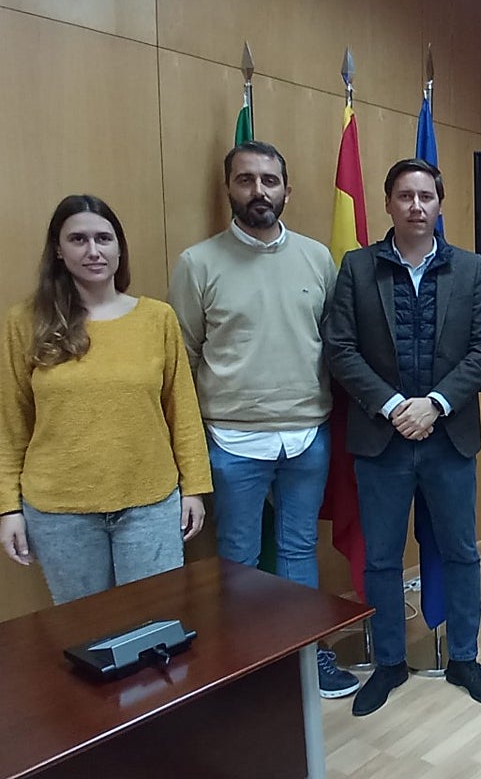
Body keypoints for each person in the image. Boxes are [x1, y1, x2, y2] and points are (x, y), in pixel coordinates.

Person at [168, 141, 359, 699]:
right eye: (246, 180)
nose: (259, 192)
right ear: (229, 188)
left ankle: (307, 658)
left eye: (269, 181)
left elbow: (333, 343)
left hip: (307, 434)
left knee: (300, 550)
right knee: (240, 558)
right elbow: (183, 355)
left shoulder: (318, 257)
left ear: (286, 189)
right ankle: (249, 666)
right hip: (231, 440)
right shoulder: (197, 263)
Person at [324, 157, 481, 716]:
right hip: (383, 440)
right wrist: (397, 405)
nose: (416, 206)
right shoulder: (356, 268)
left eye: (426, 196)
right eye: (405, 196)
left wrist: (437, 405)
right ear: (388, 203)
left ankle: (466, 658)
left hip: (449, 439)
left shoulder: (470, 269)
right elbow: (340, 349)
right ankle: (389, 662)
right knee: (381, 559)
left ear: (439, 203)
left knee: (460, 552)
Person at [0, 194, 210, 604]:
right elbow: (12, 423)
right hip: (60, 512)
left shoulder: (157, 318)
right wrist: (8, 508)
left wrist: (195, 489)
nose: (93, 251)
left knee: (154, 629)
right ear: (58, 250)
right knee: (87, 636)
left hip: (149, 504)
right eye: (78, 239)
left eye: (104, 238)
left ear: (119, 247)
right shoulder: (26, 322)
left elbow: (181, 410)